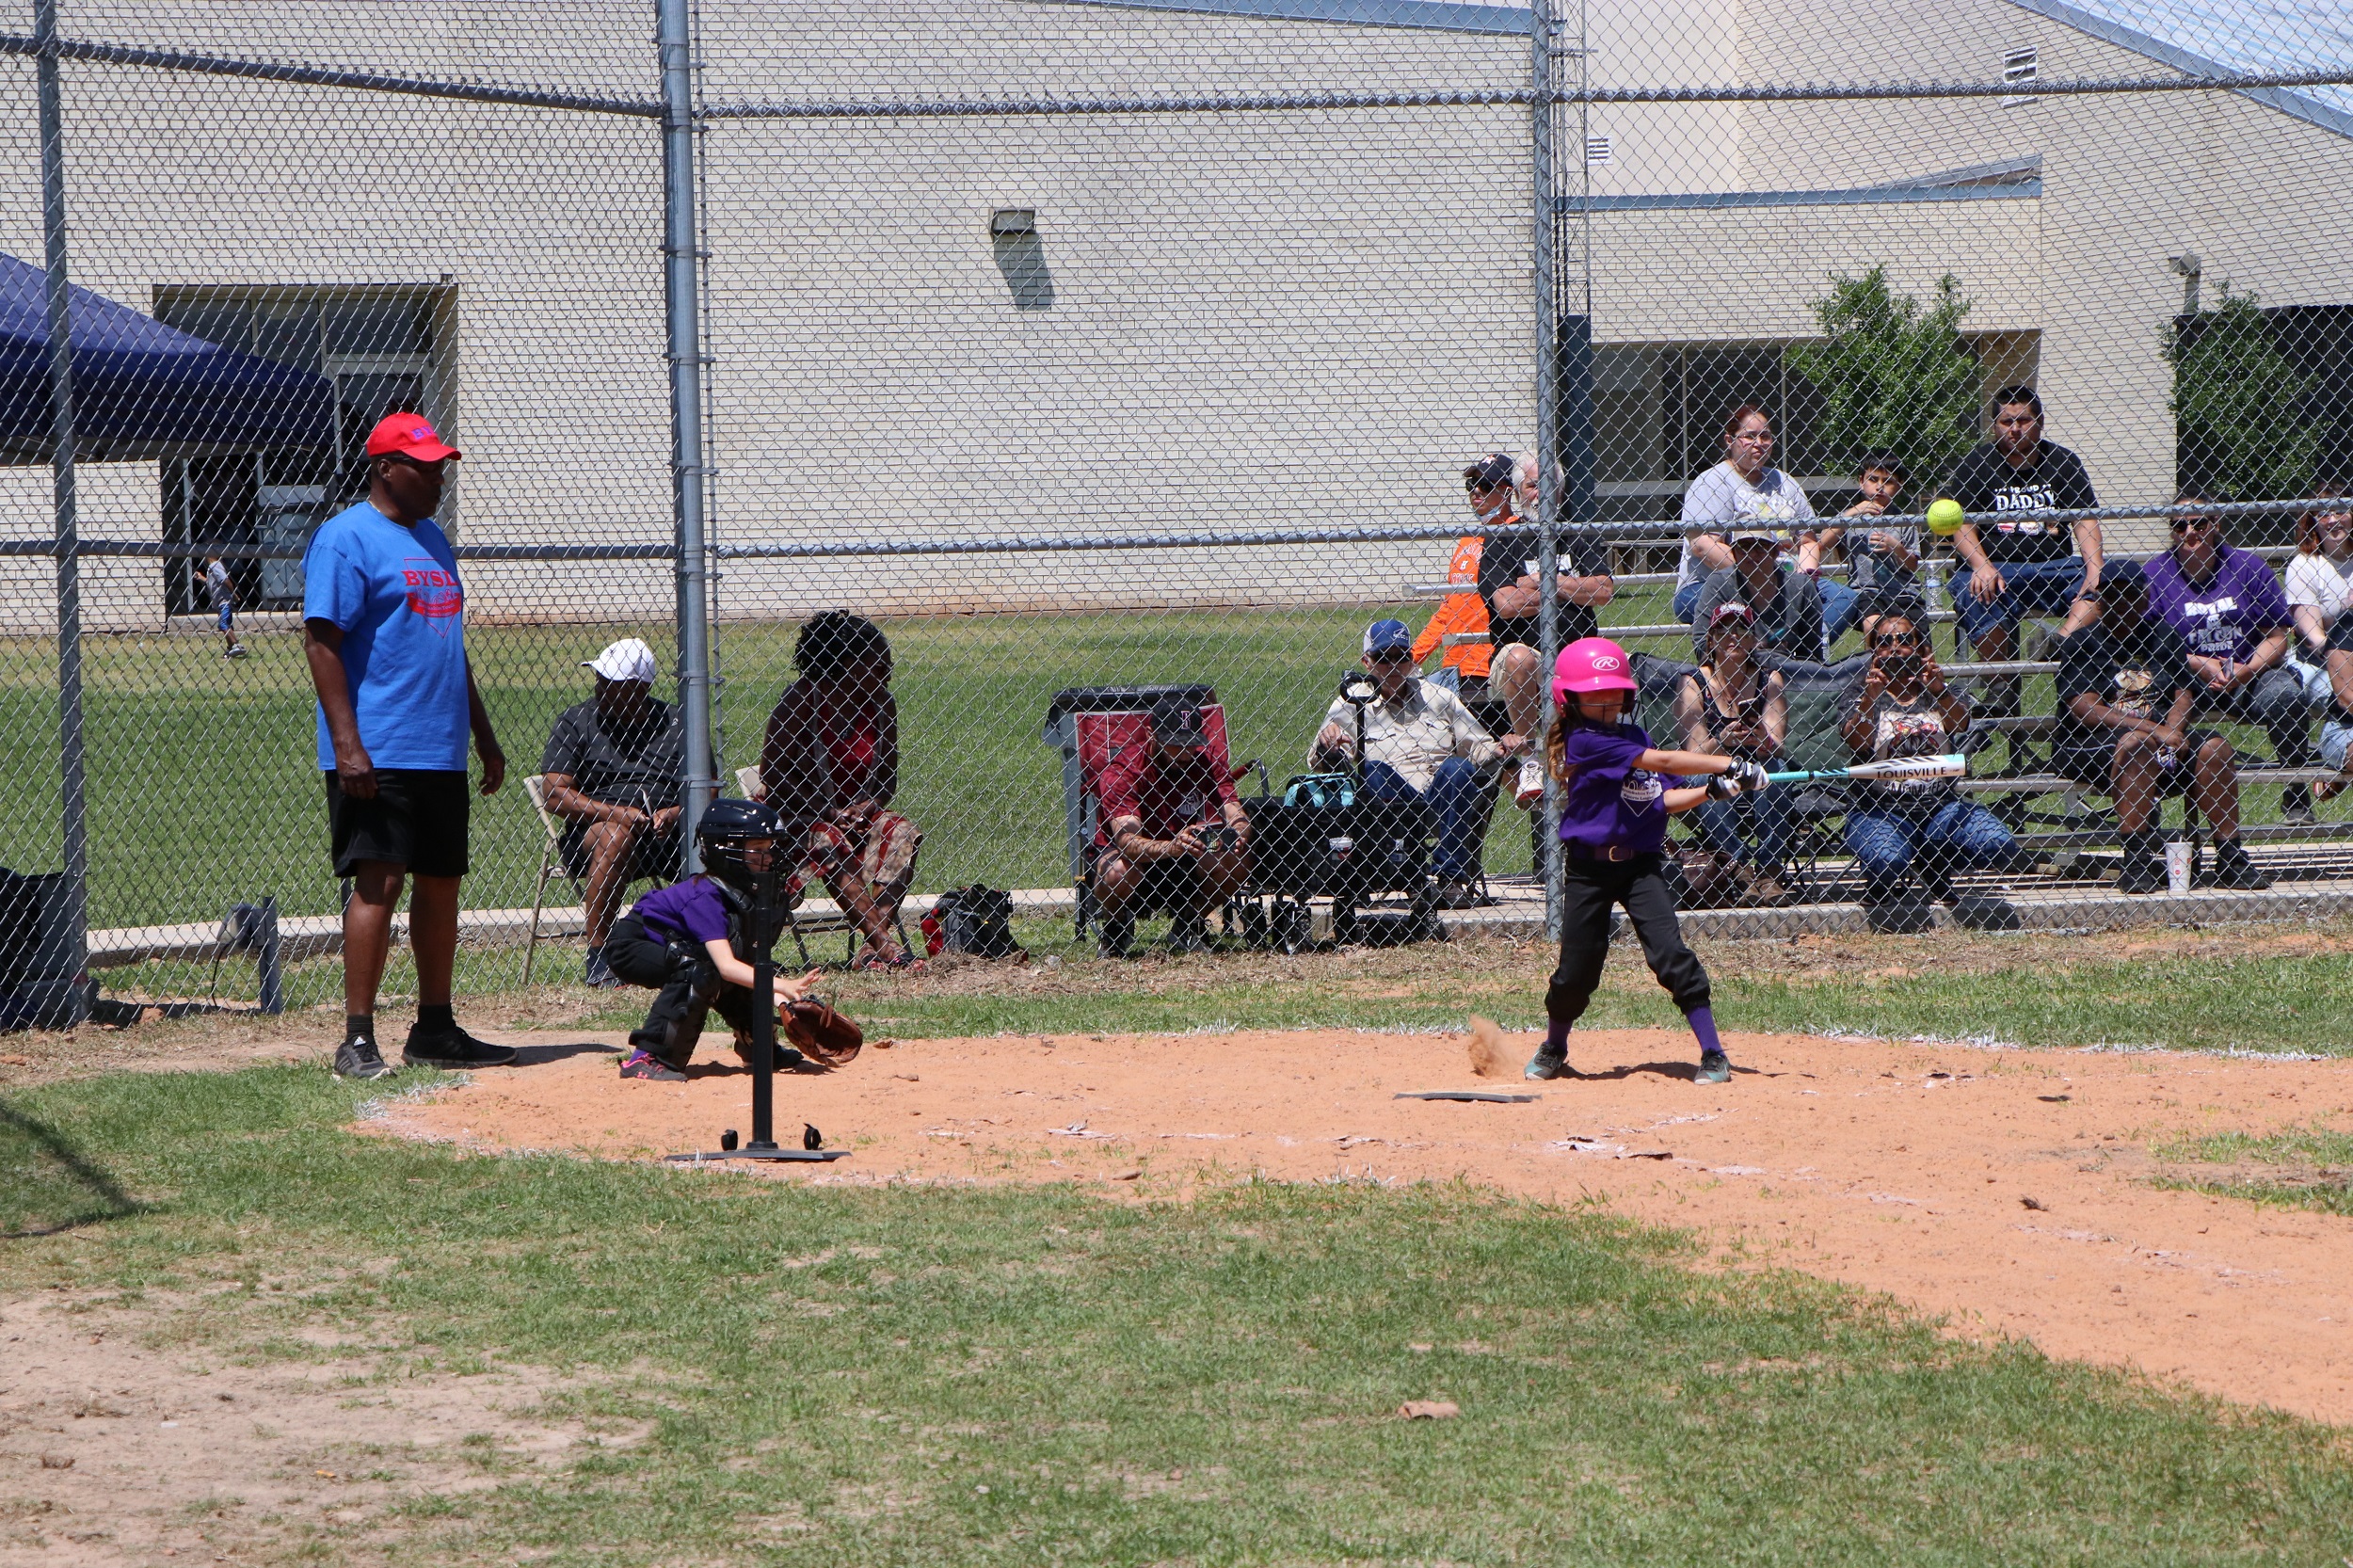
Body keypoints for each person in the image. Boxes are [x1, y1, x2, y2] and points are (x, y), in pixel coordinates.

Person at [302, 413, 512, 1080]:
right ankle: (357, 1038)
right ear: (385, 468)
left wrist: (483, 734)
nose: (438, 480)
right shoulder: (345, 538)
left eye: (441, 467)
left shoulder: (433, 540)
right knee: (381, 881)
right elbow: (321, 643)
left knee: (441, 883)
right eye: (425, 468)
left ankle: (435, 1028)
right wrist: (347, 743)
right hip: (379, 745)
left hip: (439, 747)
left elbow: (449, 645)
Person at [1523, 638, 1768, 1085]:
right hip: (1589, 871)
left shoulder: (1634, 737)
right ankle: (1555, 1044)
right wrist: (1729, 764)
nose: (1606, 702)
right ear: (1568, 699)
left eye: (1613, 692)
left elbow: (1660, 799)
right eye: (1594, 694)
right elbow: (1667, 759)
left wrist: (1713, 791)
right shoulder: (1584, 741)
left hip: (1641, 866)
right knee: (1577, 970)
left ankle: (1713, 1052)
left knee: (1671, 955)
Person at [2051, 561, 2271, 893]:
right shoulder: (2082, 642)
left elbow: (2184, 693)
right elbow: (2085, 710)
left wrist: (2173, 732)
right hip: (2088, 745)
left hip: (2159, 744)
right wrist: (2156, 731)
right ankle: (2136, 862)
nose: (2121, 603)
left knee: (2215, 749)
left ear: (2144, 598)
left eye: (2129, 595)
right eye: (2112, 596)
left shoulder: (2162, 635)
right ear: (2100, 601)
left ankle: (2230, 857)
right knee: (2137, 744)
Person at [1311, 618, 1526, 910]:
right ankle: (1407, 874)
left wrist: (1501, 747)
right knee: (1372, 770)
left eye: (1401, 656)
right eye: (1383, 657)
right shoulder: (1351, 702)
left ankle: (1450, 879)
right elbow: (1320, 759)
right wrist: (1329, 742)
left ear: (1412, 660)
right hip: (1391, 806)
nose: (1393, 665)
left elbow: (1477, 745)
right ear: (1366, 661)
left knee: (1457, 768)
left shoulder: (1439, 697)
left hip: (1442, 800)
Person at [601, 799, 821, 1081]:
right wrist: (783, 985)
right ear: (725, 850)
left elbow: (747, 967)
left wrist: (783, 1002)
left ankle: (758, 1047)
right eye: (758, 850)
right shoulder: (706, 895)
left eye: (770, 850)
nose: (768, 858)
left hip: (679, 945)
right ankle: (648, 1057)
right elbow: (727, 967)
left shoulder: (753, 895)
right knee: (697, 970)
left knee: (743, 971)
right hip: (633, 944)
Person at [759, 611, 923, 970]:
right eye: (878, 665)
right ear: (848, 665)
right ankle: (885, 946)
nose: (888, 672)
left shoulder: (882, 705)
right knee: (827, 839)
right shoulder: (802, 700)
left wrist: (869, 806)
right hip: (797, 817)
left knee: (902, 831)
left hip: (854, 819)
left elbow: (887, 778)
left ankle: (871, 948)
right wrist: (828, 811)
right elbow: (772, 774)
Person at [1838, 613, 2021, 922]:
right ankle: (1886, 875)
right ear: (1874, 652)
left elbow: (1959, 723)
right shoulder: (1859, 692)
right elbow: (1857, 741)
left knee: (1999, 844)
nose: (1894, 648)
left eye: (1904, 640)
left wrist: (1938, 690)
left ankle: (1933, 859)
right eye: (1884, 642)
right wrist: (1870, 699)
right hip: (1878, 809)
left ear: (1922, 648)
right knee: (1887, 859)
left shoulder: (1940, 689)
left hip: (1940, 808)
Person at [2143, 498, 2315, 823]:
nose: (2190, 532)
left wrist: (2247, 670)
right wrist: (2195, 662)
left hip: (2247, 675)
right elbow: (2147, 643)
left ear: (2216, 524)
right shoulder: (2155, 574)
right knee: (2147, 705)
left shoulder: (2247, 566)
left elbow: (2277, 636)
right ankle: (2148, 799)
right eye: (2179, 525)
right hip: (2182, 678)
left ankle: (2296, 789)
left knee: (2286, 694)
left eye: (2199, 523)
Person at [1943, 387, 2104, 722]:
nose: (2015, 429)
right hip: (1998, 569)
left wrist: (2095, 567)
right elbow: (1960, 524)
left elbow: (2085, 519)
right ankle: (2000, 685)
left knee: (2108, 585)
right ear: (1995, 426)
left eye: (2024, 420)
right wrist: (1981, 565)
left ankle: (2057, 642)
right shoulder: (1977, 463)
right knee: (1973, 587)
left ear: (2040, 422)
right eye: (2006, 422)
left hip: (2054, 567)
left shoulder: (2062, 461)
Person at [539, 637, 686, 984]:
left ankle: (719, 948)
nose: (600, 689)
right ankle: (601, 957)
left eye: (611, 683)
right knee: (615, 835)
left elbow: (707, 789)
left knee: (721, 835)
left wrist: (674, 813)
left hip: (669, 835)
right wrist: (615, 813)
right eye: (600, 680)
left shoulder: (677, 722)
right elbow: (555, 795)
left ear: (640, 688)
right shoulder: (577, 721)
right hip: (594, 835)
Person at [1675, 405, 1862, 646]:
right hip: (1717, 584)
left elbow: (1807, 541)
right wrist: (1760, 576)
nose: (1759, 443)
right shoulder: (1712, 482)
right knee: (1757, 608)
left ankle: (1804, 649)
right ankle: (1777, 652)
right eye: (1749, 436)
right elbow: (1703, 545)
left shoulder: (1785, 482)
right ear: (1729, 440)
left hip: (1784, 581)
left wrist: (1802, 580)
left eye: (1765, 436)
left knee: (1842, 596)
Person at [1477, 488, 1614, 811]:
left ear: (1561, 492)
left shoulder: (1579, 533)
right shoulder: (1503, 538)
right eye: (1531, 484)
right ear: (1517, 492)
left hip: (1577, 654)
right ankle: (1531, 761)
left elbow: (1603, 590)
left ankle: (1589, 761)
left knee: (1606, 659)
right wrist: (1571, 587)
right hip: (1524, 655)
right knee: (1519, 658)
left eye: (1548, 482)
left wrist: (1541, 580)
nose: (1540, 492)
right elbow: (1507, 604)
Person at [1093, 695, 1253, 957]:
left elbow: (1234, 809)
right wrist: (1172, 847)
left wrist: (1237, 832)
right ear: (1151, 734)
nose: (1185, 752)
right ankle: (1115, 928)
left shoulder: (1205, 760)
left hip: (1185, 852)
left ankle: (1189, 924)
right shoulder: (1124, 770)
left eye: (1191, 742)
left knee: (1238, 860)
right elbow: (1127, 842)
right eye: (1176, 744)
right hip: (1136, 859)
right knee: (1117, 872)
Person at [1673, 602, 1793, 905]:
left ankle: (1769, 870)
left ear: (1753, 639)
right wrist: (1723, 740)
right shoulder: (1693, 682)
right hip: (1712, 766)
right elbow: (1694, 752)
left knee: (1776, 769)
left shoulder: (1769, 680)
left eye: (1741, 629)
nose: (1733, 636)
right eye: (1723, 630)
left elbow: (1778, 745)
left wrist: (1762, 739)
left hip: (1758, 765)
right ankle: (1739, 868)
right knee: (1704, 776)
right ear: (1711, 639)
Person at [1410, 454, 1510, 702]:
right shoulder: (1468, 539)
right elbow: (1449, 608)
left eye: (1486, 485)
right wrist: (1411, 658)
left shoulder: (1517, 538)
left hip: (1492, 667)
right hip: (1455, 669)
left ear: (1508, 492)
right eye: (1472, 485)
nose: (1476, 491)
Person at [1810, 454, 1923, 641]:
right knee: (1873, 626)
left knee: (1918, 639)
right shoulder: (1850, 518)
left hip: (1903, 592)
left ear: (1899, 486)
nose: (1879, 487)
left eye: (1888, 481)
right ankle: (1872, 660)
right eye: (1873, 479)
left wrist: (1896, 547)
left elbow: (1912, 565)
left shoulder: (1903, 521)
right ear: (1861, 482)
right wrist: (1852, 513)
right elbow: (1822, 543)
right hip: (1866, 592)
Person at [1688, 529, 1826, 665]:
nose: (1752, 553)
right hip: (1734, 671)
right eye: (1744, 547)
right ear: (1734, 553)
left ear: (1775, 552)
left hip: (1787, 673)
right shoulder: (1719, 584)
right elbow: (1702, 644)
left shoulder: (1801, 587)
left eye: (1761, 546)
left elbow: (1812, 654)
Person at [2287, 488, 2353, 701]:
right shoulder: (2304, 566)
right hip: (2317, 663)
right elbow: (2315, 639)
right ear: (2313, 521)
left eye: (2340, 511)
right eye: (2324, 514)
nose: (2332, 520)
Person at [204, 554, 247, 659]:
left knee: (223, 624)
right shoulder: (212, 568)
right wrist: (201, 578)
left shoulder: (215, 566)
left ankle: (236, 645)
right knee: (227, 625)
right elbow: (211, 582)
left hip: (224, 601)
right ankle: (231, 648)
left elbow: (226, 580)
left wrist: (234, 594)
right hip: (219, 603)